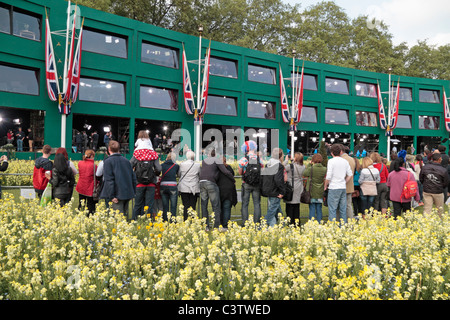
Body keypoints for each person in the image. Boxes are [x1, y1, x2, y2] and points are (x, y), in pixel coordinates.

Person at [199, 149, 235, 230]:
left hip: (201, 182)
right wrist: (233, 179)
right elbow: (225, 171)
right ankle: (217, 226)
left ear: (209, 154)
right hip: (211, 183)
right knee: (216, 206)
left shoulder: (204, 161)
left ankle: (206, 226)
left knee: (204, 205)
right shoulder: (216, 160)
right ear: (216, 155)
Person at [100, 140, 136, 218]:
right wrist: (133, 192)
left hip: (116, 194)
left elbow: (109, 180)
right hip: (127, 193)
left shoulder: (108, 161)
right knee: (124, 217)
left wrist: (111, 196)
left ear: (109, 149)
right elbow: (133, 177)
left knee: (117, 220)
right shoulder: (126, 161)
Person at [130, 142, 161, 220]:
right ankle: (148, 222)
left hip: (139, 183)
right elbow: (159, 169)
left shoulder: (137, 155)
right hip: (151, 184)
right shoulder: (153, 155)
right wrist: (155, 173)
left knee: (137, 205)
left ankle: (134, 222)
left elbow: (129, 166)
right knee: (149, 205)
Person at [324, 144, 353, 224]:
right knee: (343, 209)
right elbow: (350, 174)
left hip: (333, 187)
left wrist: (325, 185)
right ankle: (342, 226)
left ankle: (332, 227)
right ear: (341, 152)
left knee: (332, 209)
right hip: (342, 187)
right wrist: (344, 181)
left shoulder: (331, 161)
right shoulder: (345, 161)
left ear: (331, 153)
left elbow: (329, 175)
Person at [238, 140, 262, 225]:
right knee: (257, 204)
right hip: (257, 184)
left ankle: (245, 222)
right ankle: (257, 223)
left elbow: (240, 172)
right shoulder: (259, 159)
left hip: (246, 183)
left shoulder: (244, 159)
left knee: (245, 204)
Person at [260, 148, 286, 227]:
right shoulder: (279, 166)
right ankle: (262, 226)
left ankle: (282, 223)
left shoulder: (268, 164)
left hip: (268, 188)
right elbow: (278, 180)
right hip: (275, 190)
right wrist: (282, 191)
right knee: (272, 209)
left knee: (276, 208)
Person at [419, 153, 449, 217]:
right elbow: (446, 182)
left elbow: (421, 179)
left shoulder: (425, 167)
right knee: (440, 210)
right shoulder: (443, 170)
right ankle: (439, 223)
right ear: (440, 159)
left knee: (427, 209)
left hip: (428, 190)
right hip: (437, 191)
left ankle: (426, 223)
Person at [303, 153, 327, 223]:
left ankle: (312, 223)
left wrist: (309, 164)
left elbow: (304, 173)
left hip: (312, 190)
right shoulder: (324, 169)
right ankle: (319, 222)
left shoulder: (311, 169)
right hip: (320, 191)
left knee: (312, 208)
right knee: (319, 208)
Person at [283, 152, 305, 225]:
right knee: (296, 206)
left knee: (289, 206)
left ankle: (290, 221)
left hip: (291, 187)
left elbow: (281, 167)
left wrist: (286, 160)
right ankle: (296, 221)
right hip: (299, 187)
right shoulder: (303, 166)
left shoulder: (290, 166)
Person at [178, 150, 200, 220]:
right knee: (193, 205)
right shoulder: (197, 165)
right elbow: (200, 175)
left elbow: (179, 174)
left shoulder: (182, 164)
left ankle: (185, 219)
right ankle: (193, 221)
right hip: (194, 187)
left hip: (184, 187)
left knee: (185, 205)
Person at [217, 156, 237, 230]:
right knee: (227, 208)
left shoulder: (217, 169)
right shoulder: (229, 167)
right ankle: (225, 225)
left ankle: (220, 223)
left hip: (220, 190)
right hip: (229, 190)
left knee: (220, 208)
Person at [75, 149, 98, 215]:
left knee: (81, 202)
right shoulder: (94, 166)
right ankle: (89, 216)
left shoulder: (80, 163)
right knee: (90, 204)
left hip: (81, 186)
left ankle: (79, 214)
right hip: (90, 187)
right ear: (91, 156)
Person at [160, 152, 180, 221]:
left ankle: (165, 220)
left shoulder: (162, 165)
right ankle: (173, 220)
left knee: (165, 206)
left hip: (163, 185)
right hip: (172, 185)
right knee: (173, 206)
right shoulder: (176, 166)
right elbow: (177, 174)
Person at [341, 145, 356, 220]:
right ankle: (350, 221)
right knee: (348, 205)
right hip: (350, 185)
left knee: (340, 205)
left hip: (341, 185)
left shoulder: (341, 159)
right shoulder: (352, 159)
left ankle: (341, 220)